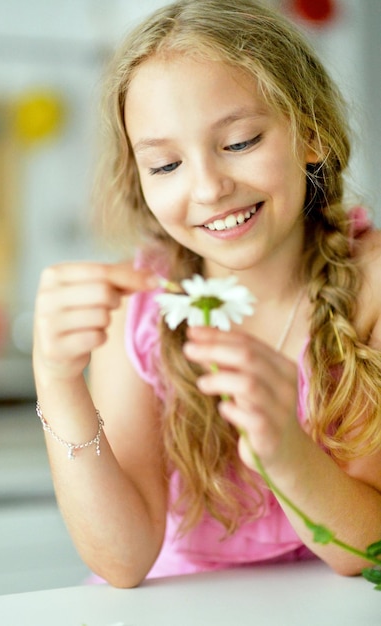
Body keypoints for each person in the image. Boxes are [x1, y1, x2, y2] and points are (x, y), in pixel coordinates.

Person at [33, 0, 381, 588]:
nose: (209, 187)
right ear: (139, 180)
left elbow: (367, 550)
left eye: (240, 142)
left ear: (312, 134)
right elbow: (122, 561)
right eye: (166, 165)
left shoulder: (368, 285)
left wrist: (286, 453)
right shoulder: (137, 312)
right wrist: (57, 381)